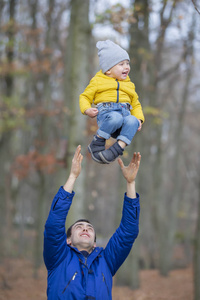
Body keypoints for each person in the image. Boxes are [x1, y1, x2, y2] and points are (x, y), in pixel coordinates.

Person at [43, 145, 141, 300]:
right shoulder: (58, 257)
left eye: (89, 228)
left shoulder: (107, 261)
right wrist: (72, 177)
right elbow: (54, 224)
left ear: (95, 243)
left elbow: (128, 232)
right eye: (79, 227)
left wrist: (130, 184)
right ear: (68, 240)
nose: (85, 229)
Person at [79, 39, 145, 164]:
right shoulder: (98, 81)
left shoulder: (129, 85)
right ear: (108, 70)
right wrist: (87, 109)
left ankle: (116, 149)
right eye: (121, 64)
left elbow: (136, 104)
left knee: (132, 121)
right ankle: (98, 140)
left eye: (127, 63)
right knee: (115, 117)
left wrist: (139, 119)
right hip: (107, 116)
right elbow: (84, 97)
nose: (126, 67)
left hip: (125, 115)